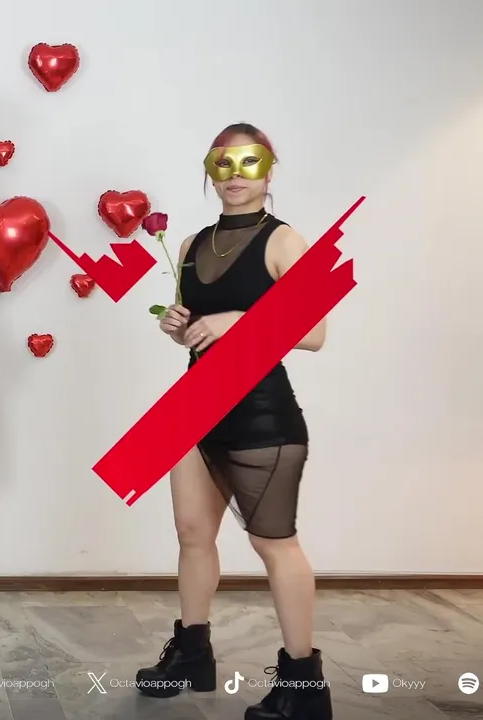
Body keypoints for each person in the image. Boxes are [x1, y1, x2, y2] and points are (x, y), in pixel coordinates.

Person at [135, 123, 332, 720]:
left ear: (269, 169)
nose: (236, 175)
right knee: (192, 534)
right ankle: (193, 655)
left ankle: (304, 689)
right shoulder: (191, 243)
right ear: (209, 170)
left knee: (274, 543)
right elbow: (200, 332)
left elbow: (315, 331)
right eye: (223, 163)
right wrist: (180, 327)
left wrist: (236, 322)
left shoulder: (284, 240)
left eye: (249, 162)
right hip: (196, 405)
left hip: (260, 414)